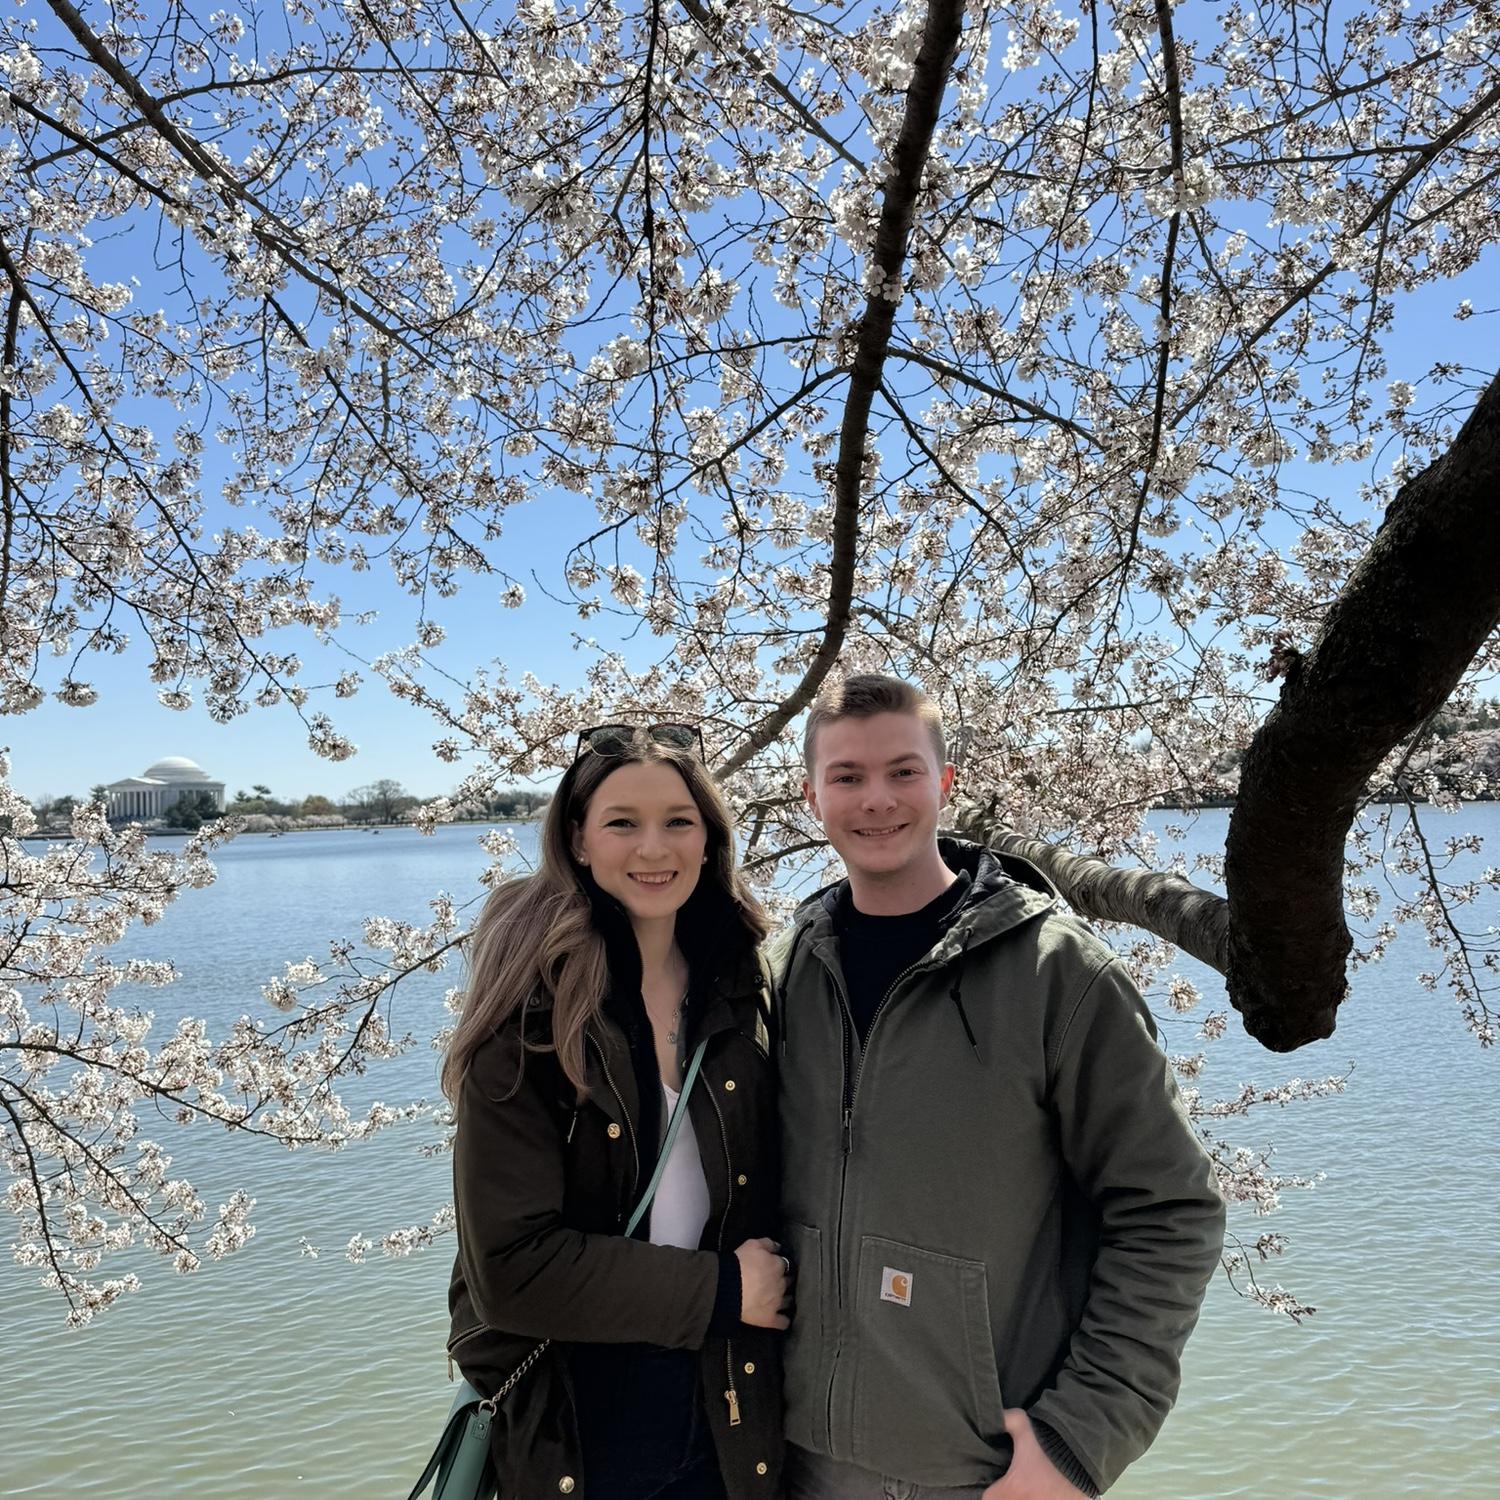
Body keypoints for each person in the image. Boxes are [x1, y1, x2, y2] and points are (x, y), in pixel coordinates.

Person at [771, 676, 1226, 1499]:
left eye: (903, 771)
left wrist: (1079, 1441)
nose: (877, 800)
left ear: (945, 783)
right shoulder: (784, 969)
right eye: (847, 776)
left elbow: (1169, 1210)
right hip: (789, 1461)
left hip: (982, 1473)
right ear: (812, 797)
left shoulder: (1059, 974)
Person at [444, 722, 789, 1500]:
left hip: (731, 1401)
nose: (653, 849)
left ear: (709, 837)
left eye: (678, 821)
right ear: (578, 839)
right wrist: (723, 1291)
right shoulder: (531, 1014)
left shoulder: (742, 982)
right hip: (584, 1419)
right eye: (622, 823)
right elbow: (512, 1269)